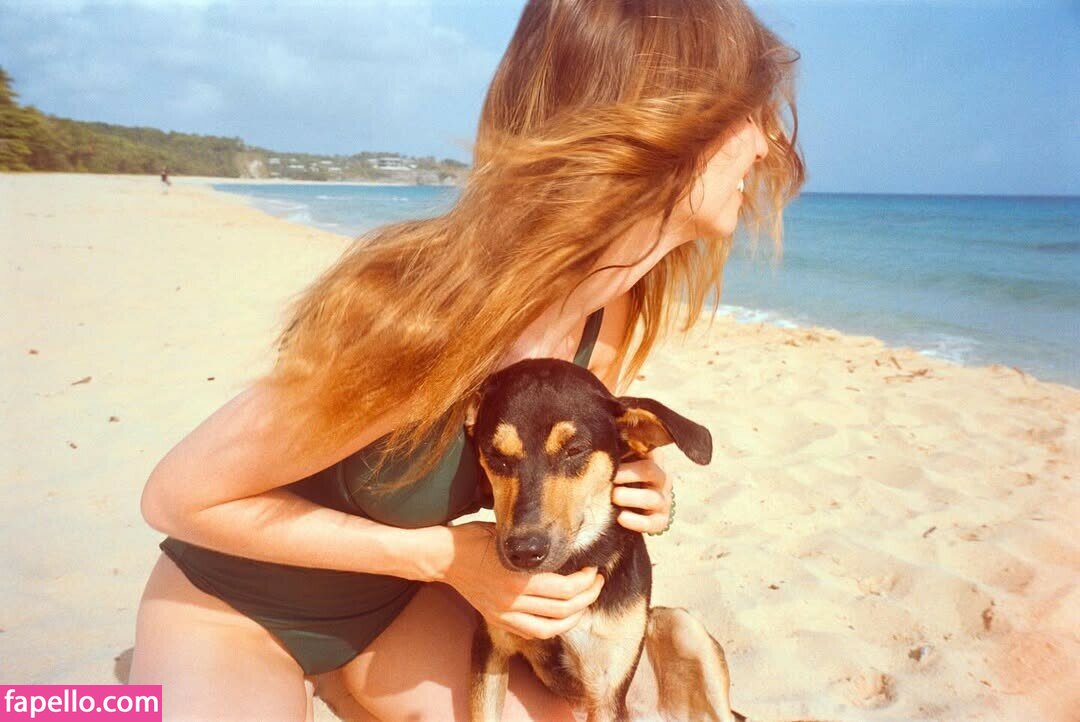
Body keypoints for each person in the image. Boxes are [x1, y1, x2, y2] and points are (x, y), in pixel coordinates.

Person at [129, 0, 804, 720]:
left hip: (400, 609)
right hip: (240, 603)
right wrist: (441, 557)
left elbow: (539, 462)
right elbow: (177, 498)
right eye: (748, 115)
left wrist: (623, 486)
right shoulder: (428, 318)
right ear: (666, 122)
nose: (766, 145)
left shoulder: (611, 312)